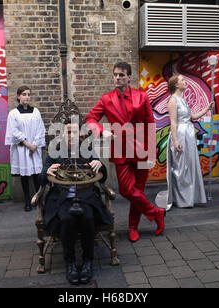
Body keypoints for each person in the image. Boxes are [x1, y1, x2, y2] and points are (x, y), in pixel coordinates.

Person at [85, 61, 165, 243]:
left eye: (122, 75)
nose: (118, 78)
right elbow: (90, 118)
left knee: (139, 191)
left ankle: (133, 226)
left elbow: (150, 123)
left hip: (142, 148)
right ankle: (157, 213)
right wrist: (101, 130)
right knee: (126, 189)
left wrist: (151, 151)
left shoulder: (141, 96)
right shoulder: (106, 99)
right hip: (120, 149)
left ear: (129, 77)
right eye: (115, 75)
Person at [40, 120, 113, 285]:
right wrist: (46, 172)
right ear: (62, 134)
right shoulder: (55, 151)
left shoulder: (86, 149)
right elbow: (41, 178)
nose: (71, 135)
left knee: (87, 218)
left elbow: (103, 175)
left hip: (85, 196)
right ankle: (71, 263)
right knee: (67, 219)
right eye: (67, 132)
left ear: (79, 134)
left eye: (74, 132)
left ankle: (87, 262)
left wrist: (100, 165)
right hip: (62, 198)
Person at [157, 74, 214, 210]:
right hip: (180, 134)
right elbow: (173, 121)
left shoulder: (183, 100)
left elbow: (192, 117)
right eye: (182, 80)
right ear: (176, 84)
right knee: (181, 168)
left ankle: (190, 197)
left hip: (188, 133)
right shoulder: (172, 100)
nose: (185, 81)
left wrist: (207, 109)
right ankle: (181, 200)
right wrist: (175, 141)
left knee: (189, 165)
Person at [5, 86, 46, 211]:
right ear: (18, 96)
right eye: (24, 94)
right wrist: (28, 144)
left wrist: (35, 144)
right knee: (24, 176)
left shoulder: (36, 112)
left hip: (35, 147)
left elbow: (40, 129)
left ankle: (38, 200)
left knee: (36, 175)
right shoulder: (13, 114)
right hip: (22, 148)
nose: (27, 97)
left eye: (28, 94)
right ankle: (27, 200)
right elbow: (14, 131)